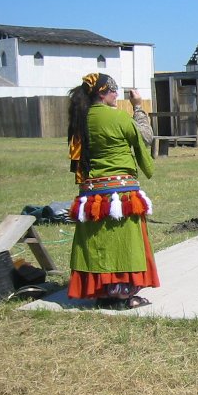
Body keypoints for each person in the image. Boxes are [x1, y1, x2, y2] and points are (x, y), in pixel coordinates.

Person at [66, 73, 159, 309]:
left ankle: (102, 293)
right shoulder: (118, 117)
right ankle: (122, 295)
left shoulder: (80, 119)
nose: (117, 95)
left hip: (91, 194)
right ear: (101, 93)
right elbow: (145, 138)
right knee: (122, 244)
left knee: (98, 244)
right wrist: (138, 108)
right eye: (114, 90)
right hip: (120, 195)